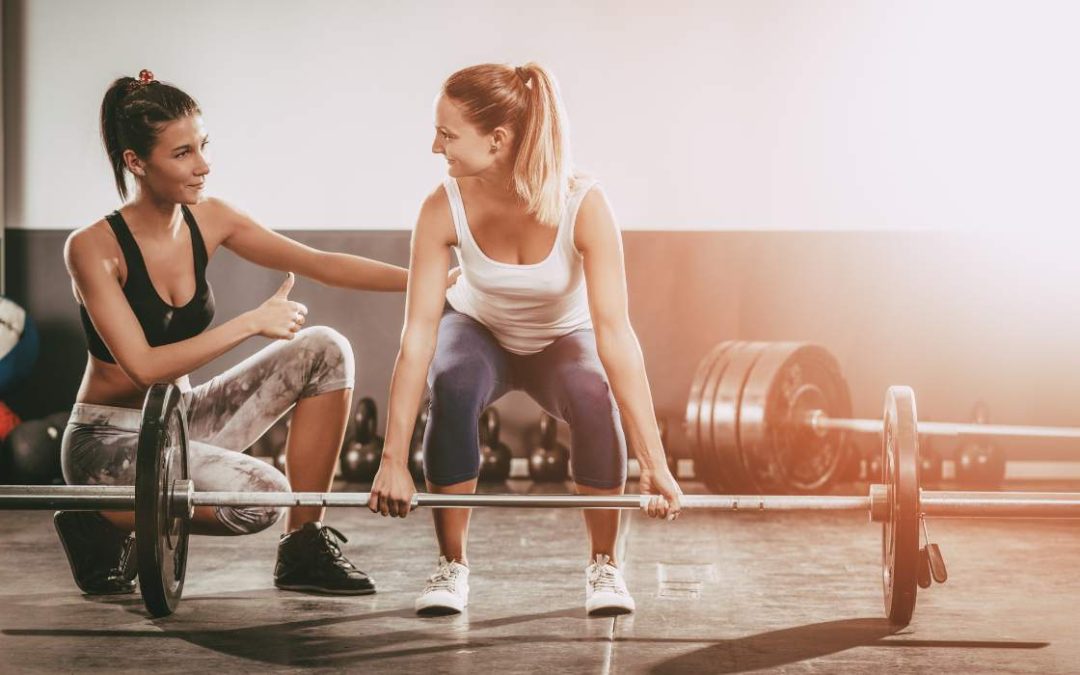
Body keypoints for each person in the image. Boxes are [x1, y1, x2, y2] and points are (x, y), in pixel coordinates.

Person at [58, 69, 407, 597]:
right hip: (108, 442)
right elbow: (145, 367)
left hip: (179, 421)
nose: (203, 165)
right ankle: (101, 518)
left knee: (325, 350)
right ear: (136, 162)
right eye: (182, 153)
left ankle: (303, 547)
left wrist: (433, 283)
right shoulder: (92, 247)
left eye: (203, 146)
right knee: (261, 498)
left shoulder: (210, 218)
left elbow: (320, 263)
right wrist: (250, 323)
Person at [367, 62, 684, 616]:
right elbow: (417, 337)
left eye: (447, 135)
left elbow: (615, 335)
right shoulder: (442, 205)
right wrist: (393, 458)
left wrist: (653, 463)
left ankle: (605, 565)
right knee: (453, 382)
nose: (435, 146)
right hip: (477, 330)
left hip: (562, 340)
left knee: (593, 392)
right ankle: (451, 566)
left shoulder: (582, 202)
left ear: (497, 139)